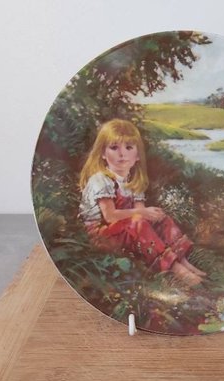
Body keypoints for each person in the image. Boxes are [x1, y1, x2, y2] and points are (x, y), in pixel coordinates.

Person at [78, 118, 206, 286]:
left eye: (128, 147)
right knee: (138, 221)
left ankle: (184, 263)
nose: (122, 154)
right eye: (114, 148)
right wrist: (142, 212)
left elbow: (142, 214)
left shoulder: (132, 181)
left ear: (137, 155)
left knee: (161, 219)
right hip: (101, 234)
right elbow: (109, 216)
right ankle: (176, 270)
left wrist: (151, 214)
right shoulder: (101, 180)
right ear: (103, 153)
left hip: (123, 229)